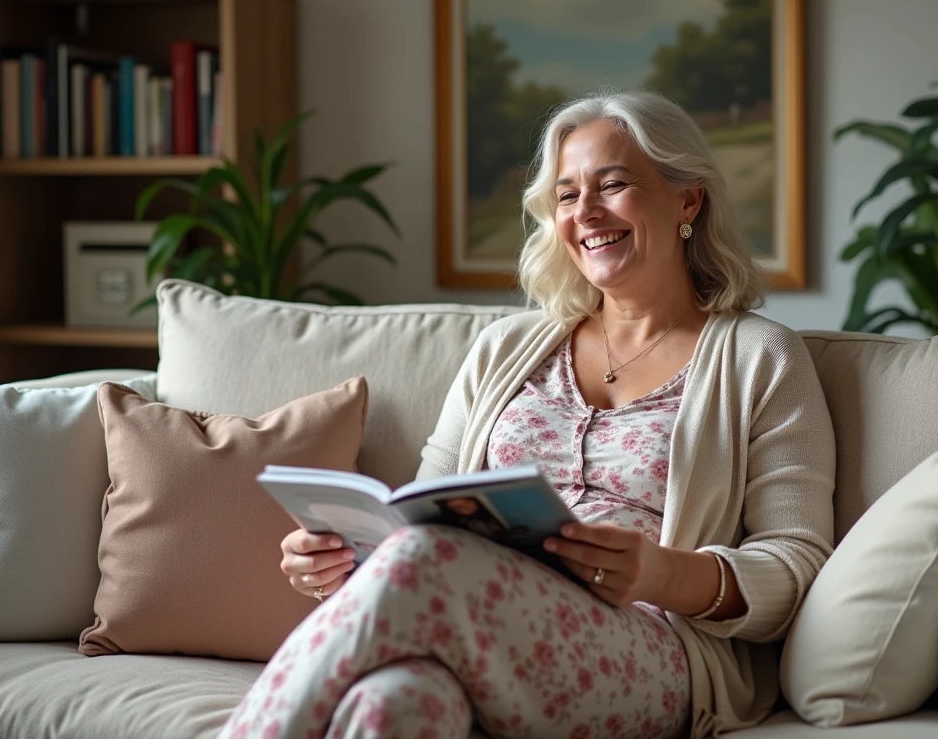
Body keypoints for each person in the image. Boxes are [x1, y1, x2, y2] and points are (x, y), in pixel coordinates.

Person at [219, 90, 836, 739]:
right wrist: (343, 559)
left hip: (655, 646)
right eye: (567, 195)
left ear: (689, 199)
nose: (586, 212)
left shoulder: (759, 357)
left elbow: (795, 567)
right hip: (482, 620)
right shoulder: (503, 351)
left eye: (613, 184)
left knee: (421, 559)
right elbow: (417, 507)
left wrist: (660, 571)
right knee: (397, 701)